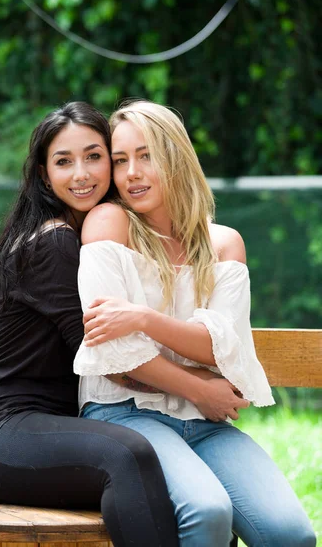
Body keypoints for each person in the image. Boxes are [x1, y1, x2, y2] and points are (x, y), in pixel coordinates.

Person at [74, 100, 317, 547]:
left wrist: (143, 318)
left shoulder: (223, 244)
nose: (131, 173)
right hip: (124, 414)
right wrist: (200, 387)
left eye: (146, 155)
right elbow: (113, 355)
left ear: (176, 157)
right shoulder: (108, 224)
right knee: (208, 512)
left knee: (292, 534)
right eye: (121, 160)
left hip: (204, 424)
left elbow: (220, 349)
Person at [0, 102, 181, 547]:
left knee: (192, 482)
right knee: (128, 456)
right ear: (43, 174)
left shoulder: (100, 236)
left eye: (95, 157)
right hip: (0, 433)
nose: (82, 174)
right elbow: (110, 360)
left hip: (54, 427)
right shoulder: (53, 242)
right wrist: (195, 390)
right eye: (63, 161)